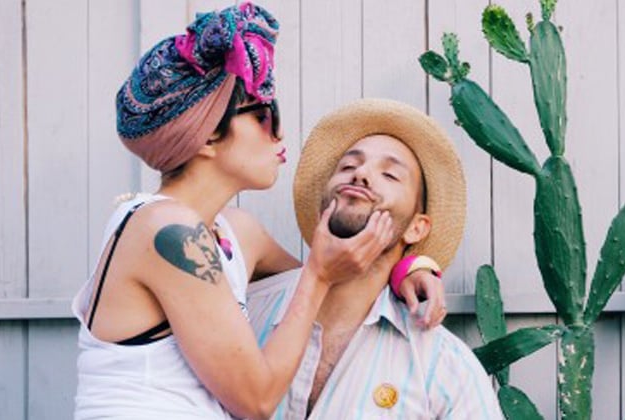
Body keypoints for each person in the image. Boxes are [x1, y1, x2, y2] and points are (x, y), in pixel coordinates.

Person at [71, 4, 444, 419]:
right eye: (265, 115)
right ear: (207, 137)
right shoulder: (167, 230)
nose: (280, 134)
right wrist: (319, 275)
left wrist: (408, 267)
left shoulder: (234, 233)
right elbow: (257, 400)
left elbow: (341, 278)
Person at [247, 98, 504, 419]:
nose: (361, 174)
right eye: (347, 167)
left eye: (390, 175)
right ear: (323, 203)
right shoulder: (244, 311)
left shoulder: (445, 367)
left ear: (416, 227)